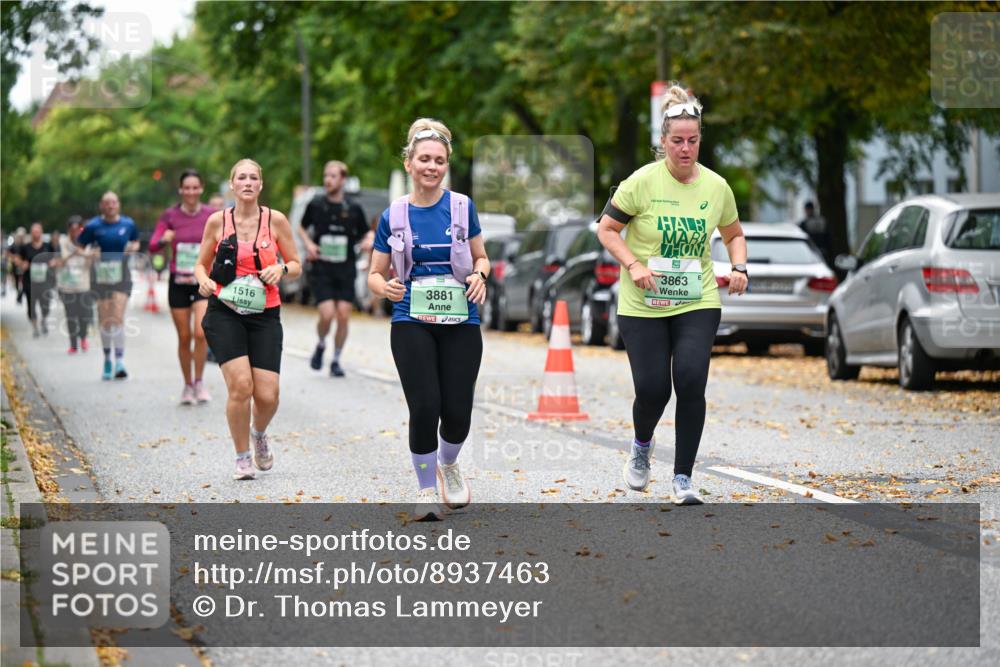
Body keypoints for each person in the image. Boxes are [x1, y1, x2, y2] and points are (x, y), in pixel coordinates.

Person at [596, 83, 748, 505]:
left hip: (696, 299)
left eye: (693, 141)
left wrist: (738, 266)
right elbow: (607, 229)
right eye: (677, 141)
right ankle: (641, 447)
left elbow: (734, 234)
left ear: (701, 140)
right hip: (643, 303)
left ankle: (683, 477)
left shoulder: (716, 187)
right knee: (652, 389)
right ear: (662, 142)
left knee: (691, 379)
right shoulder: (641, 183)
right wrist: (633, 263)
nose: (685, 149)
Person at [368, 118, 490, 521]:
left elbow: (481, 257)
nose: (431, 167)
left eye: (438, 160)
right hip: (411, 319)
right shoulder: (394, 214)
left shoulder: (461, 207)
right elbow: (374, 273)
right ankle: (424, 491)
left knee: (457, 412)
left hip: (461, 319)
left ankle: (449, 465)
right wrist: (384, 289)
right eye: (424, 159)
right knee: (425, 405)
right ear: (409, 163)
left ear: (446, 164)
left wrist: (480, 275)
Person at [193, 158, 302, 480]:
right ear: (232, 184)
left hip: (265, 313)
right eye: (241, 177)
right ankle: (242, 458)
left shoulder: (276, 220)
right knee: (241, 386)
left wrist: (281, 269)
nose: (248, 182)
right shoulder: (217, 221)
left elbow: (296, 263)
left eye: (254, 177)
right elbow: (201, 263)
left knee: (268, 395)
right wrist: (202, 279)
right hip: (225, 310)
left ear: (261, 185)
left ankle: (258, 434)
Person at [298, 160, 372, 377]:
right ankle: (321, 343)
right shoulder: (316, 203)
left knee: (343, 316)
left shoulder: (354, 208)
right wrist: (309, 244)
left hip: (345, 268)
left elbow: (366, 233)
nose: (327, 180)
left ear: (342, 180)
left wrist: (369, 240)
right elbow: (301, 226)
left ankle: (337, 359)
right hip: (322, 268)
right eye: (325, 176)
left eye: (332, 176)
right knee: (327, 313)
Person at [149, 169, 216, 404]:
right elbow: (153, 245)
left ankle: (199, 382)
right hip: (178, 282)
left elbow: (227, 239)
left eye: (194, 187)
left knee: (200, 332)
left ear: (201, 189)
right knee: (184, 336)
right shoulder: (170, 216)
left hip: (202, 282)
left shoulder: (211, 214)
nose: (190, 192)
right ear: (180, 190)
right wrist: (163, 239)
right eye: (186, 188)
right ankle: (187, 385)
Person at [77, 192, 140, 380]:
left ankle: (119, 361)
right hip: (101, 277)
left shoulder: (128, 224)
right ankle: (107, 359)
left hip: (122, 275)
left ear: (118, 205)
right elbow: (79, 246)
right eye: (107, 203)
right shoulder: (93, 226)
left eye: (113, 202)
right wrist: (89, 254)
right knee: (106, 320)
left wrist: (133, 248)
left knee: (118, 318)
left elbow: (136, 241)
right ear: (101, 206)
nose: (110, 206)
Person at [53, 216, 95, 353]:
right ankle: (73, 344)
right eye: (73, 230)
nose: (75, 233)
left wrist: (84, 253)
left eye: (78, 230)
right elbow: (59, 262)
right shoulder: (62, 242)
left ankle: (83, 337)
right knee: (71, 315)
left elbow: (91, 261)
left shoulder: (87, 242)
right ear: (69, 230)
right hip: (67, 286)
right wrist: (74, 253)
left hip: (83, 285)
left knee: (84, 315)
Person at [16, 223, 56, 337]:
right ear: (31, 233)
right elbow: (17, 258)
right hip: (30, 281)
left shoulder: (48, 246)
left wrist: (53, 263)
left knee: (45, 304)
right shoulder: (25, 247)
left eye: (38, 231)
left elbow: (55, 258)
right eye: (34, 232)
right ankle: (35, 327)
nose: (36, 234)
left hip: (45, 280)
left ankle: (44, 319)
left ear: (41, 232)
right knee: (31, 305)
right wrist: (22, 264)